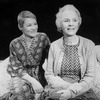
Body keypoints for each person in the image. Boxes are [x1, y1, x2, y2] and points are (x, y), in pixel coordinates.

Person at [41, 4, 98, 100]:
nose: (71, 24)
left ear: (78, 22)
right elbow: (49, 75)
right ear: (60, 24)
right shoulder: (54, 46)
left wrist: (72, 92)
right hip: (58, 89)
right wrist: (67, 87)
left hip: (82, 89)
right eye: (66, 21)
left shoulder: (89, 45)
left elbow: (90, 77)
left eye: (74, 20)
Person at [1, 10, 50, 100]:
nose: (34, 28)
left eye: (35, 24)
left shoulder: (43, 37)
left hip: (40, 74)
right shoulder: (14, 43)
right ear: (20, 26)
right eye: (29, 25)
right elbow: (16, 68)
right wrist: (33, 82)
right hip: (21, 76)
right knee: (19, 91)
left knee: (50, 94)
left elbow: (51, 57)